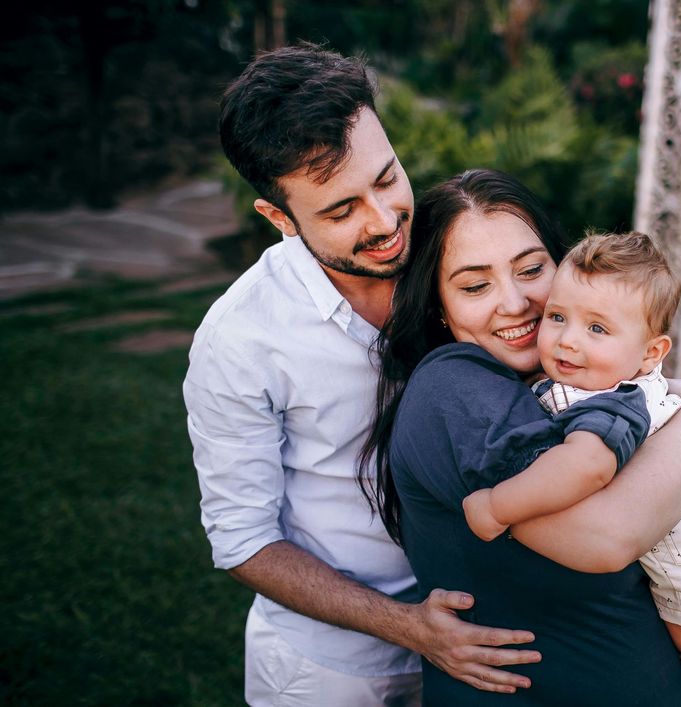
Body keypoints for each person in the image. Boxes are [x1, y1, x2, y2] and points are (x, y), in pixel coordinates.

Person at [183, 44, 544, 706]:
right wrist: (408, 627)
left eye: (386, 180)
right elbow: (244, 541)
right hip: (326, 667)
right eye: (341, 209)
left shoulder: (450, 255)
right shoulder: (238, 340)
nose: (384, 224)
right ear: (280, 220)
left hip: (485, 630)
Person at [366, 169, 681, 706]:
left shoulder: (564, 384)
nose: (515, 303)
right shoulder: (453, 387)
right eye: (475, 285)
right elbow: (608, 536)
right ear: (439, 305)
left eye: (532, 270)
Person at [461, 231, 681, 707]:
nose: (567, 340)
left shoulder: (609, 405)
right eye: (557, 317)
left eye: (597, 329)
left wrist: (496, 506)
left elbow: (584, 468)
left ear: (651, 354)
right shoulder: (606, 378)